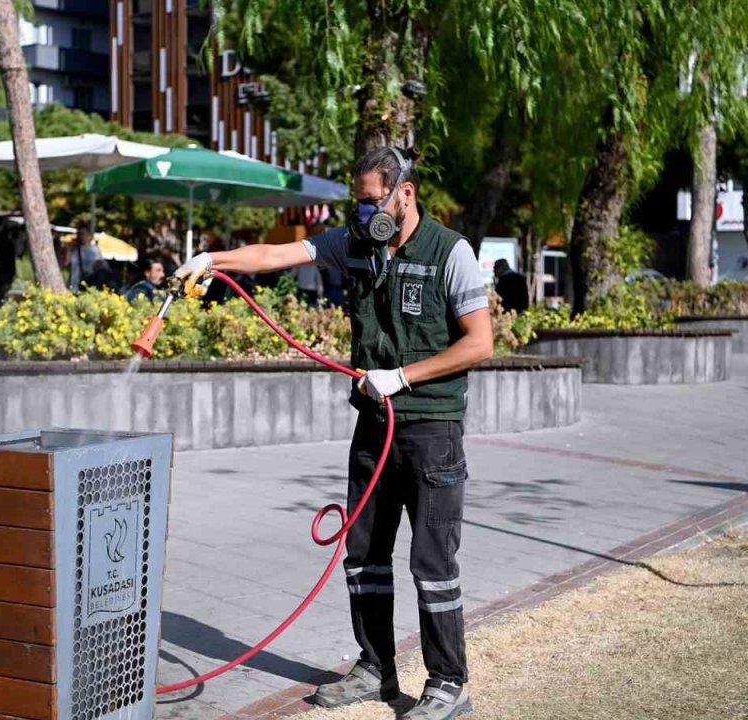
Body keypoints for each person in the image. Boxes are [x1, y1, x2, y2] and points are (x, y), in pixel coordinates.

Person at [173, 147, 490, 720]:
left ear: (405, 193)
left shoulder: (451, 253)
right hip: (374, 428)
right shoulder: (355, 243)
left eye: (373, 201)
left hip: (430, 430)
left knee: (432, 562)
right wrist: (212, 259)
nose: (366, 214)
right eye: (359, 202)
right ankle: (375, 668)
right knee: (364, 554)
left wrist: (402, 376)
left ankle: (448, 683)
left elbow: (479, 343)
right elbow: (277, 253)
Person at [68, 227, 103, 291]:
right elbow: (66, 263)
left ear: (90, 236)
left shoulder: (94, 250)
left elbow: (99, 267)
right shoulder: (75, 250)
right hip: (74, 286)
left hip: (88, 285)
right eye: (79, 234)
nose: (81, 236)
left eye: (83, 234)